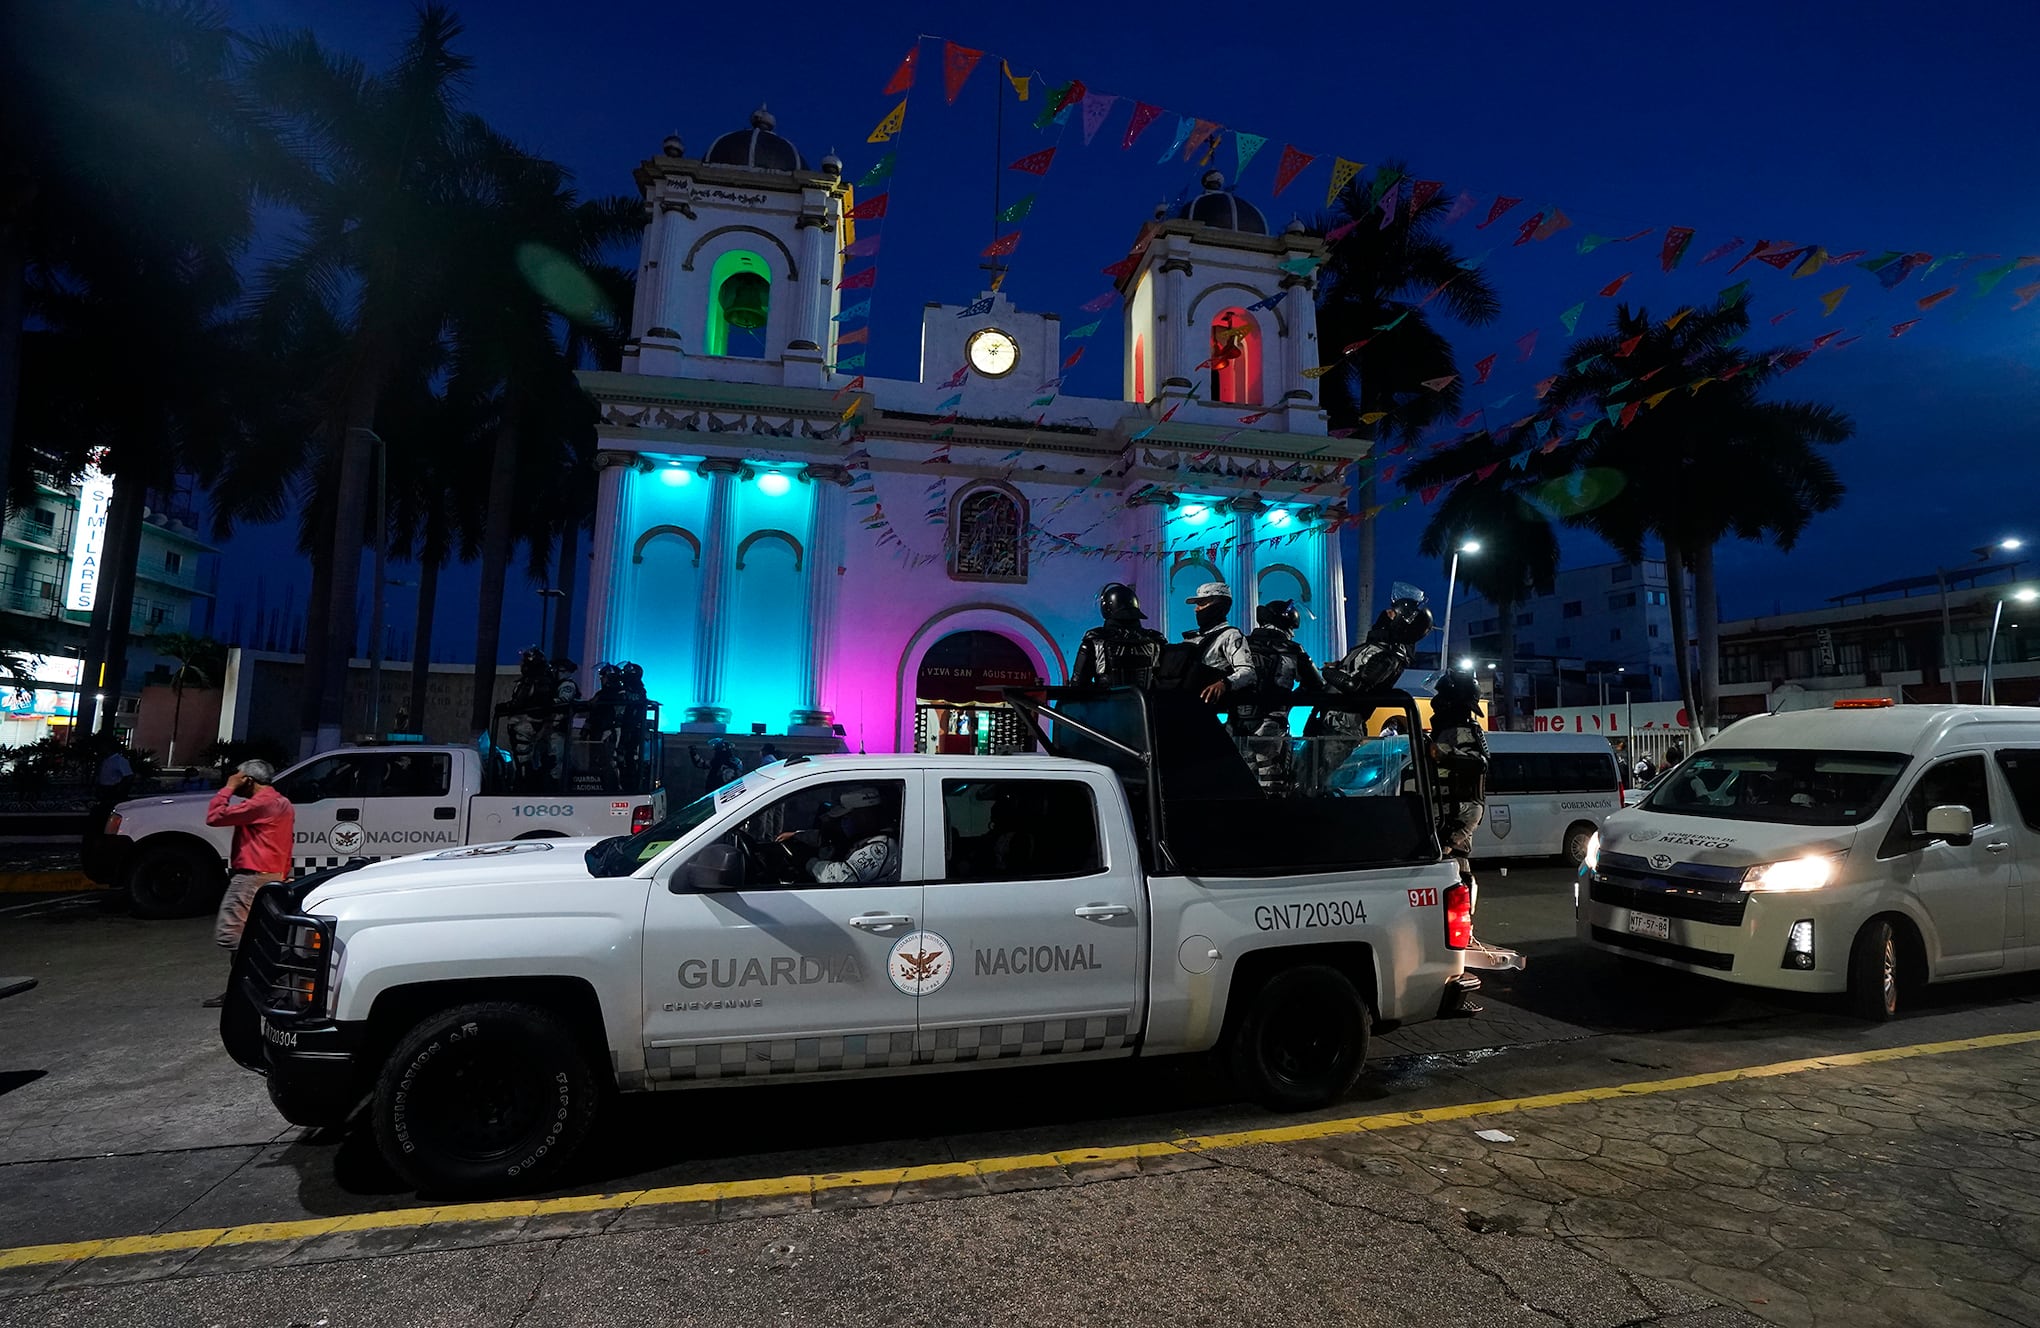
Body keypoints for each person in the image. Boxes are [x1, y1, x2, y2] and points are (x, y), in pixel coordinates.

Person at [201, 760, 296, 1009]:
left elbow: (214, 816)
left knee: (231, 935)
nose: (234, 778)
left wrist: (228, 788)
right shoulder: (280, 802)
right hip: (269, 875)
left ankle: (268, 982)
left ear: (249, 780)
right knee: (248, 935)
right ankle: (243, 988)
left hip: (251, 878)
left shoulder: (261, 804)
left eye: (238, 776)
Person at [1235, 599, 1324, 793]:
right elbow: (1317, 685)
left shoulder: (1242, 646)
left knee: (1241, 786)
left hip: (1237, 725)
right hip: (1271, 727)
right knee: (1273, 785)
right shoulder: (1292, 650)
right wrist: (1293, 698)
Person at [775, 785, 900, 884]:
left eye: (848, 817)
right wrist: (796, 835)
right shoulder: (862, 834)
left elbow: (840, 877)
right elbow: (828, 836)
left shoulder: (881, 847)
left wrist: (808, 862)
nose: (844, 821)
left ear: (864, 816)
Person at [1073, 582, 1168, 689]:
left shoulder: (1094, 641)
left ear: (1107, 607)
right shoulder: (1156, 640)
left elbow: (1078, 687)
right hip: (1147, 705)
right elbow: (1165, 683)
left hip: (1109, 705)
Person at [1181, 582, 1255, 706]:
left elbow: (1248, 672)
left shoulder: (1230, 635)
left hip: (1207, 706)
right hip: (1183, 701)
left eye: (1202, 603)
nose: (1196, 609)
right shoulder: (1192, 637)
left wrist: (1224, 684)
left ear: (1219, 606)